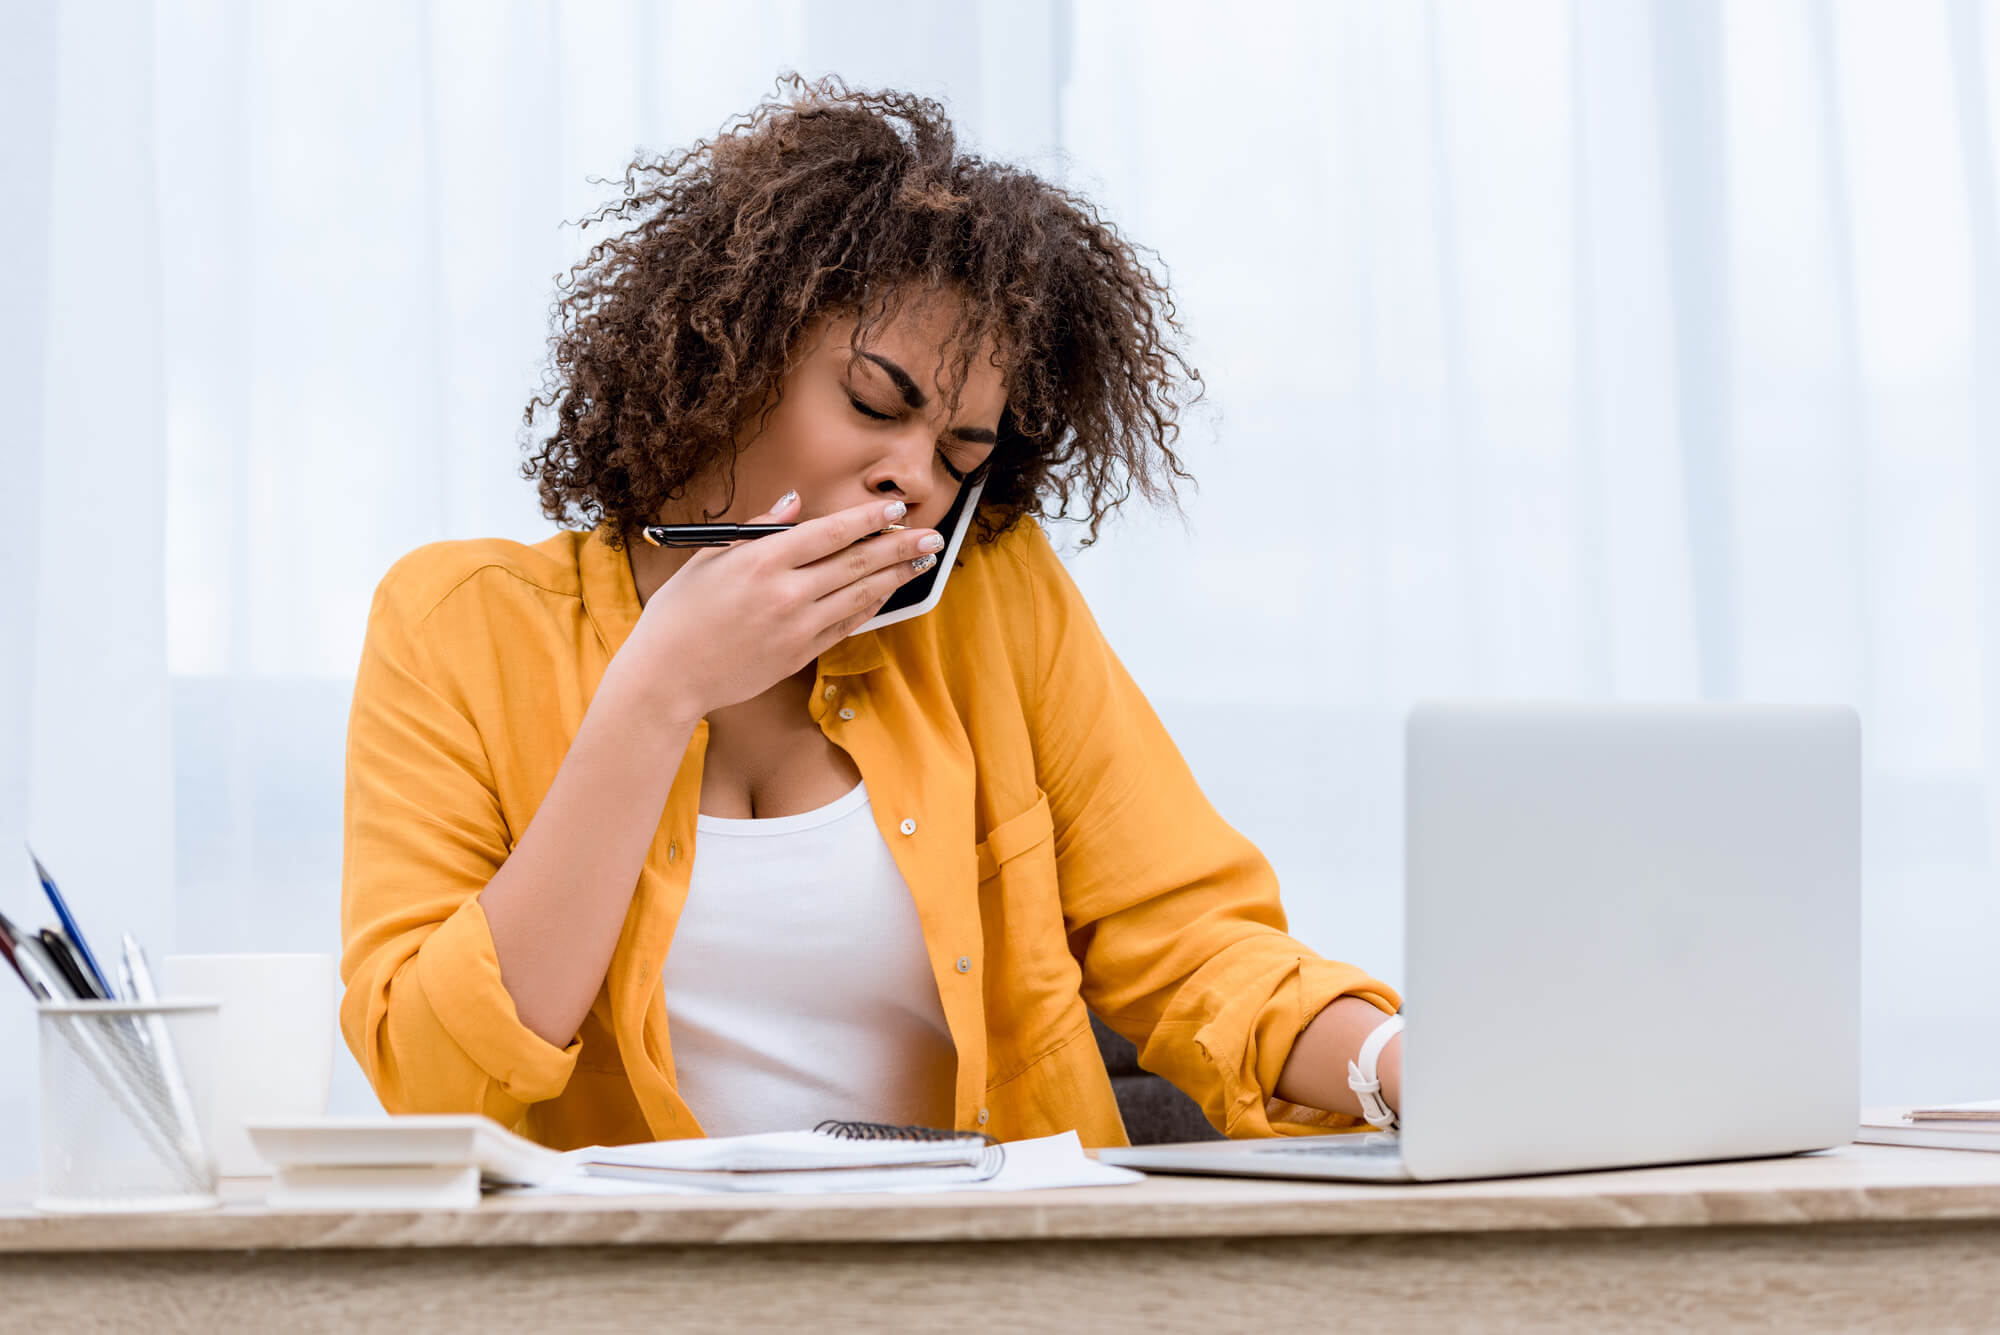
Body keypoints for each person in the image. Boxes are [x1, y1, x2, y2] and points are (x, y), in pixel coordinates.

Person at [339, 76, 1403, 1150]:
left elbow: (1197, 947)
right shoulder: (456, 623)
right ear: (735, 360)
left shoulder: (995, 603)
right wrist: (659, 690)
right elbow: (432, 1084)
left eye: (959, 455)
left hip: (977, 1286)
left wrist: (1392, 1064)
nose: (915, 482)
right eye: (873, 405)